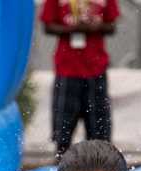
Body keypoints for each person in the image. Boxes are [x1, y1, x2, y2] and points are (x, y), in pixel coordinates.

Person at [40, 0, 120, 162]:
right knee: (63, 125)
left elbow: (112, 26)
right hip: (67, 68)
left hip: (95, 67)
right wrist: (73, 29)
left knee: (99, 127)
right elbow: (48, 26)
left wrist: (94, 27)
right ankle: (61, 163)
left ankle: (100, 164)